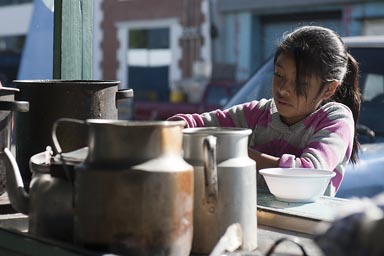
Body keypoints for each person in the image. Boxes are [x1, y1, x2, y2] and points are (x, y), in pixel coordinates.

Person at [168, 25, 361, 196]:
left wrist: (237, 152)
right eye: (279, 75)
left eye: (301, 83)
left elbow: (307, 173)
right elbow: (198, 124)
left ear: (329, 89)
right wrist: (169, 129)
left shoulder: (336, 120)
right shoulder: (258, 113)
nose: (283, 89)